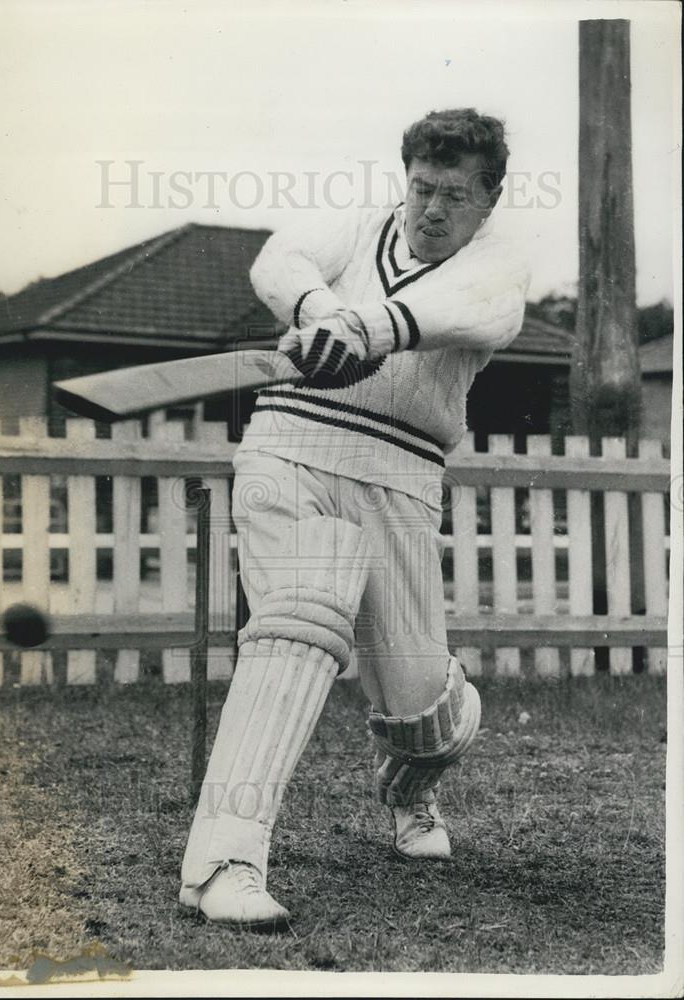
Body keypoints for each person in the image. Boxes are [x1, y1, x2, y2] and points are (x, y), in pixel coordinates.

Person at [179, 107, 531, 928]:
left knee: (422, 717)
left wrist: (364, 326)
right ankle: (224, 863)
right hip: (288, 449)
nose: (431, 209)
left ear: (487, 201)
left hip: (401, 477)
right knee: (297, 626)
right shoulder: (354, 226)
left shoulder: (497, 258)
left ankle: (410, 787)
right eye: (420, 188)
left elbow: (480, 310)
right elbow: (279, 260)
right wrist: (313, 309)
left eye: (452, 195)